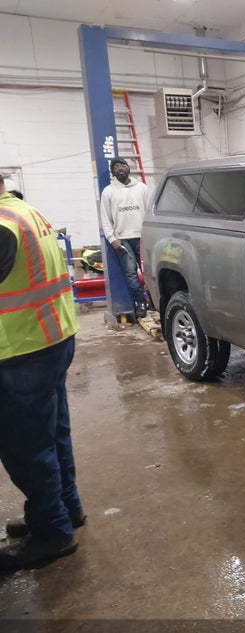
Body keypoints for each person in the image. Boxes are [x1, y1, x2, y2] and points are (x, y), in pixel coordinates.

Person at [0, 173, 86, 571]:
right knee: (52, 434)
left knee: (26, 447)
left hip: (21, 350)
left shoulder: (3, 227)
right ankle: (64, 509)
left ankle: (52, 532)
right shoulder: (24, 212)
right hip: (50, 338)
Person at [100, 157, 149, 318]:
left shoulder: (142, 188)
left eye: (122, 165)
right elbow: (105, 218)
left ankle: (153, 301)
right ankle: (141, 302)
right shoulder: (108, 192)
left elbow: (149, 211)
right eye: (116, 167)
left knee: (149, 272)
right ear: (113, 172)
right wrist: (112, 239)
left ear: (128, 168)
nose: (120, 168)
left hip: (143, 237)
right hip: (123, 240)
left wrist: (150, 234)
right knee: (131, 274)